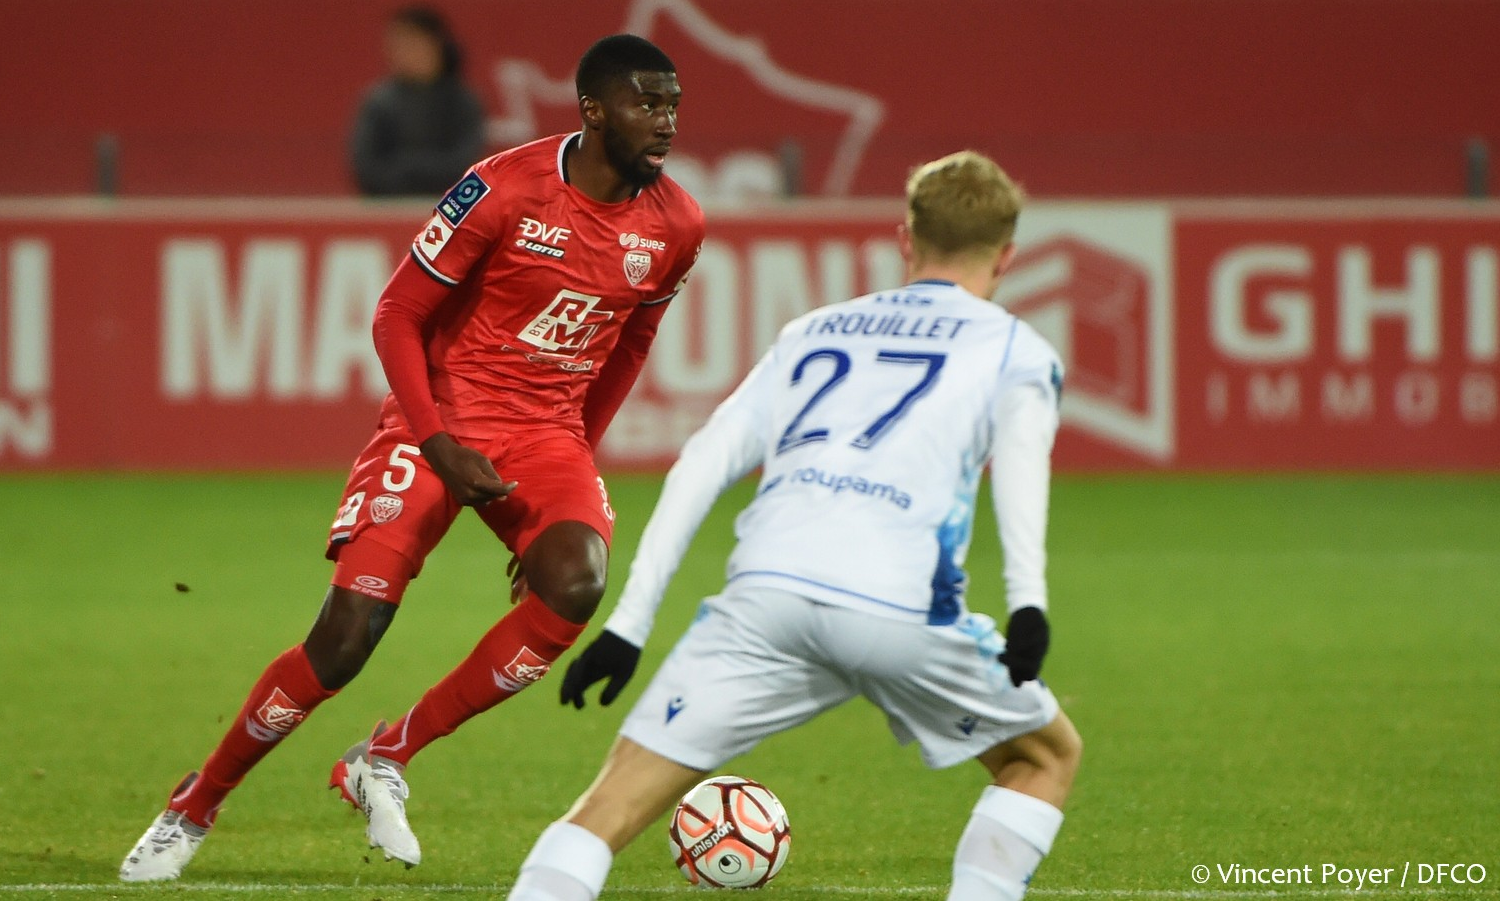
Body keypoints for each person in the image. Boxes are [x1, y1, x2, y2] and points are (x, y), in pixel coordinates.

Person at [120, 34, 704, 882]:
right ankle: (195, 802)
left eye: (672, 105)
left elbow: (632, 343)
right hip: (438, 421)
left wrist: (575, 457)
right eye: (646, 104)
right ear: (593, 109)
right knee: (345, 640)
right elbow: (397, 313)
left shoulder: (677, 223)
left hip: (546, 433)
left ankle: (386, 754)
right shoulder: (503, 189)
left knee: (575, 581)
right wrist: (436, 441)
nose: (665, 122)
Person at [508, 150, 1082, 901]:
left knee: (606, 808)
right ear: (1007, 256)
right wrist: (1029, 603)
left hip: (765, 601)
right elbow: (1021, 470)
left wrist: (630, 624)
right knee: (1044, 756)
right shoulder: (1016, 349)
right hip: (897, 608)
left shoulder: (813, 331)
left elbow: (702, 463)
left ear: (906, 240)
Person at [351, 5, 486, 196]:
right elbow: (365, 166)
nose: (401, 53)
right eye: (396, 45)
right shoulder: (379, 102)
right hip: (388, 205)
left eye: (411, 43)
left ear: (436, 45)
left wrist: (414, 169)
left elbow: (466, 163)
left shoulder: (463, 102)